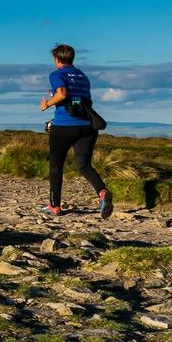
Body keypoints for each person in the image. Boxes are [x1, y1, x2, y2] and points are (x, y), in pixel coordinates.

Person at [39, 43, 112, 219]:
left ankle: (54, 206)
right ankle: (102, 192)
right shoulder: (82, 76)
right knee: (84, 165)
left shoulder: (57, 74)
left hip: (64, 126)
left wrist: (48, 104)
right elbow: (84, 101)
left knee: (56, 165)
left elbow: (63, 94)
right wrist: (59, 98)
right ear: (72, 58)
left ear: (57, 59)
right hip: (87, 126)